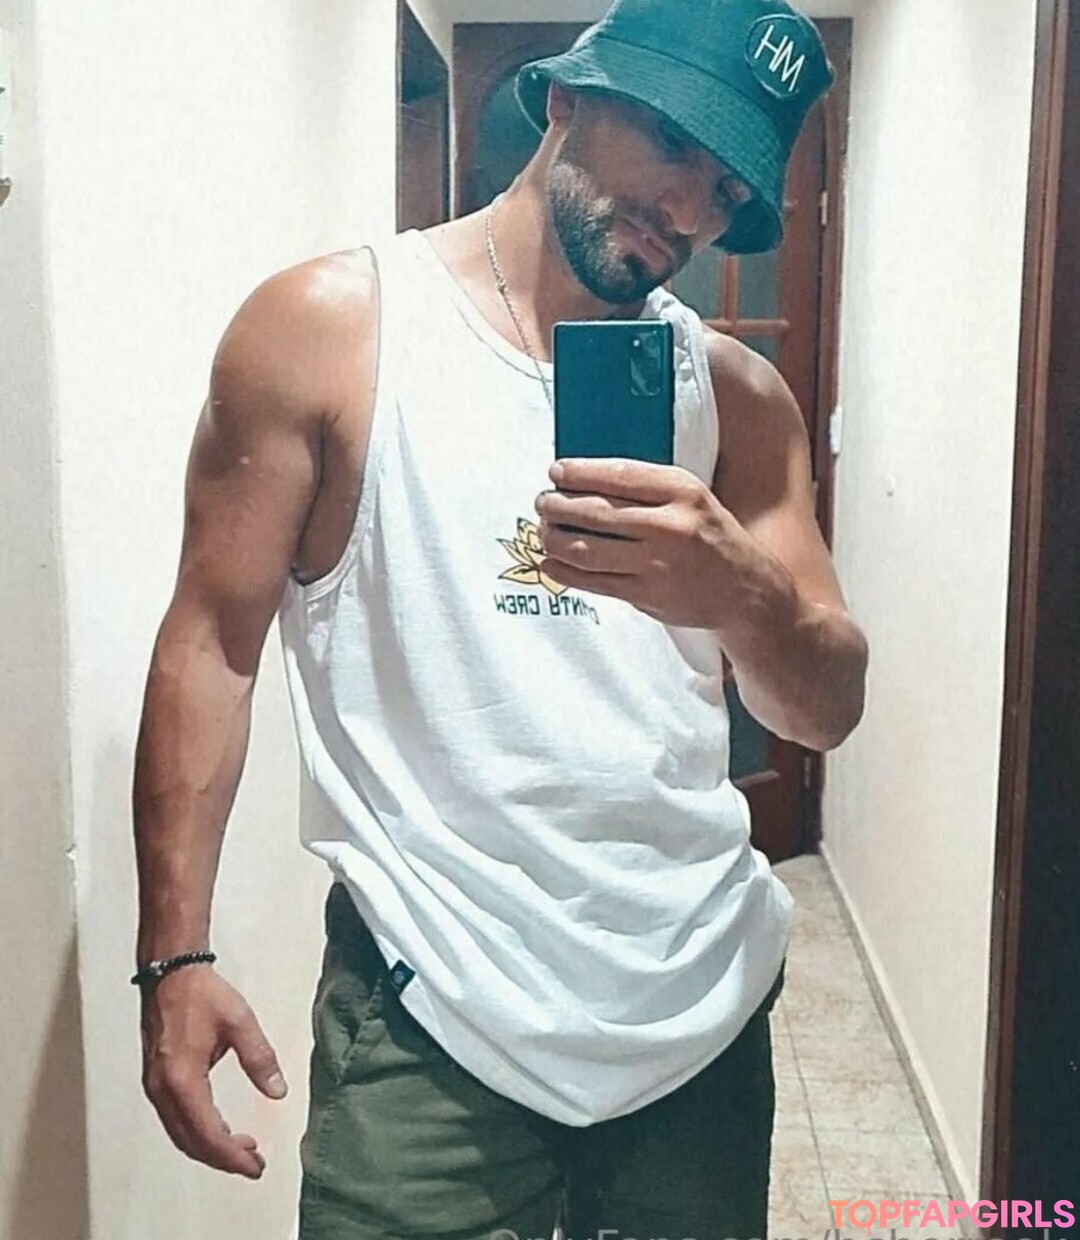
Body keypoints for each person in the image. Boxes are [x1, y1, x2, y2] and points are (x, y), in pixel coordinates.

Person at [132, 0, 869, 1236]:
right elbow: (210, 646)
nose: (690, 208)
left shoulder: (739, 397)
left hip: (696, 1014)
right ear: (569, 94)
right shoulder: (329, 335)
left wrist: (739, 593)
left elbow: (827, 706)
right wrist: (175, 955)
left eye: (729, 188)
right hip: (431, 1021)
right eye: (675, 141)